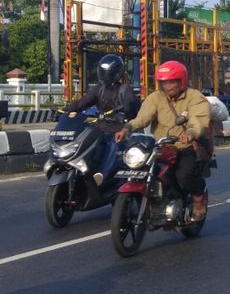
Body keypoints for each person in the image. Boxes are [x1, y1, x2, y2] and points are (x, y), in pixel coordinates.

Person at [115, 60, 211, 221]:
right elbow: (143, 118)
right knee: (140, 169)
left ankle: (198, 199)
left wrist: (191, 133)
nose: (168, 86)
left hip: (186, 146)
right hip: (161, 147)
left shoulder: (195, 97)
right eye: (164, 83)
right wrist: (127, 128)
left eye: (172, 82)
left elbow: (198, 120)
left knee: (184, 177)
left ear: (182, 81)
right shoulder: (155, 98)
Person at [64, 54, 140, 186]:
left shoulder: (125, 90)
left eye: (108, 73)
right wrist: (67, 110)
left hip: (119, 131)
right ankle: (82, 172)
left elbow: (133, 108)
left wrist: (123, 116)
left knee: (113, 147)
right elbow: (83, 102)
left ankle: (101, 177)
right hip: (99, 129)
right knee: (83, 142)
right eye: (103, 72)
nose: (105, 75)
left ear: (117, 73)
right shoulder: (98, 89)